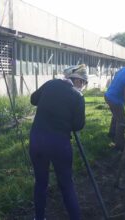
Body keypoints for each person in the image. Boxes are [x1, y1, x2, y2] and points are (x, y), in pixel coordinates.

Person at [29, 64, 87, 220]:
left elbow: (33, 99)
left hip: (37, 141)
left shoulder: (51, 83)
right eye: (82, 83)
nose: (82, 86)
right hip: (59, 144)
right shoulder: (78, 97)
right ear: (79, 82)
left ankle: (39, 218)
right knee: (66, 185)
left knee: (40, 182)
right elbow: (78, 125)